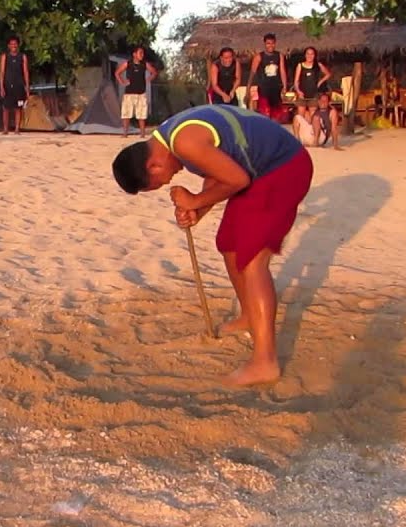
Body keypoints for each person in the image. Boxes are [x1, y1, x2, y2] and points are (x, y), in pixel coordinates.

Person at [112, 104, 314, 387]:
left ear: (153, 166)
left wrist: (195, 201)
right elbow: (219, 172)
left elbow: (237, 179)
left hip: (283, 168)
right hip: (259, 170)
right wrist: (198, 208)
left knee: (252, 259)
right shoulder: (170, 135)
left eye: (159, 181)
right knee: (229, 243)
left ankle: (265, 362)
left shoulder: (184, 142)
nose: (168, 179)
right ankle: (248, 315)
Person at [114, 46, 158, 138]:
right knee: (126, 114)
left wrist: (148, 79)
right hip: (129, 93)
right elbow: (117, 73)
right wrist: (122, 81)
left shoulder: (144, 64)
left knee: (141, 115)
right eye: (140, 53)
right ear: (134, 54)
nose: (142, 55)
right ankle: (125, 134)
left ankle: (142, 134)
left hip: (141, 93)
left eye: (143, 53)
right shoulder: (128, 64)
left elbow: (154, 72)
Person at [246, 33, 288, 122]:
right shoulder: (259, 57)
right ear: (265, 44)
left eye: (272, 43)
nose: (270, 45)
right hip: (264, 88)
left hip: (276, 88)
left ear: (275, 43)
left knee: (276, 114)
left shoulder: (279, 56)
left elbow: (282, 71)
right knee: (265, 112)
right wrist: (248, 89)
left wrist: (285, 86)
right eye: (268, 43)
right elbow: (252, 73)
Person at [290, 47, 331, 135]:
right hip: (302, 95)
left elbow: (328, 74)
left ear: (314, 55)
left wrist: (320, 82)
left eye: (312, 54)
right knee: (300, 117)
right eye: (308, 54)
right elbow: (296, 81)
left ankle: (313, 136)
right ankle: (299, 137)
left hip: (313, 95)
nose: (309, 56)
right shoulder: (300, 65)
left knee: (313, 117)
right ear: (305, 55)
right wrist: (298, 91)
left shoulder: (318, 65)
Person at [0, 36, 30, 135]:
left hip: (19, 85)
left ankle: (17, 129)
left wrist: (27, 87)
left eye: (15, 44)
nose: (14, 46)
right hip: (8, 85)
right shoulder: (5, 57)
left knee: (18, 108)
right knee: (6, 108)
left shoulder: (22, 56)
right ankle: (5, 129)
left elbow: (25, 71)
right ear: (8, 46)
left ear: (18, 45)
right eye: (12, 44)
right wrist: (1, 86)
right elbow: (2, 72)